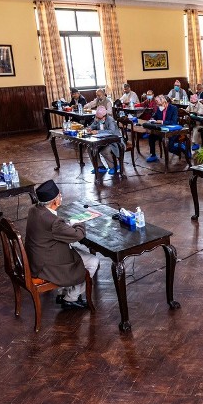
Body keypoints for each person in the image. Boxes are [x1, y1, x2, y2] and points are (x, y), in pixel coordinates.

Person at [25, 180, 100, 309]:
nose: (61, 197)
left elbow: (51, 230)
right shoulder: (53, 222)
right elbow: (78, 235)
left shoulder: (33, 210)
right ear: (55, 201)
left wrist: (65, 226)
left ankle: (63, 292)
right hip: (47, 266)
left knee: (76, 248)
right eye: (59, 195)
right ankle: (71, 298)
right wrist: (78, 223)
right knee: (93, 261)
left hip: (36, 258)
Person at [86, 106, 122, 175]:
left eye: (99, 118)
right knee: (90, 149)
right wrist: (90, 128)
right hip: (102, 140)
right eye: (96, 117)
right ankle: (100, 167)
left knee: (105, 150)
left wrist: (97, 132)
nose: (97, 119)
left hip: (114, 141)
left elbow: (111, 131)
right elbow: (93, 125)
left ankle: (114, 166)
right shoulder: (98, 119)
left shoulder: (110, 120)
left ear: (104, 117)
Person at [145, 95, 179, 163]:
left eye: (160, 104)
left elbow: (174, 122)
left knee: (170, 148)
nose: (158, 106)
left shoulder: (173, 108)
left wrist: (162, 122)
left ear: (165, 102)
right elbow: (155, 116)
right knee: (151, 137)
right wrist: (153, 119)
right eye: (158, 104)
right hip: (161, 130)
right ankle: (153, 155)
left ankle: (183, 149)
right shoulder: (159, 108)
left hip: (171, 131)